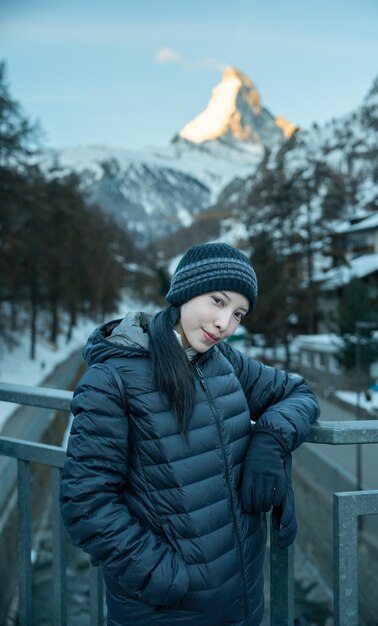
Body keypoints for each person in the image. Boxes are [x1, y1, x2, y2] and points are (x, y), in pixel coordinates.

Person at [60, 242, 320, 626]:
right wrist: (168, 578)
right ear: (184, 291)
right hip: (165, 609)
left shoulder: (223, 362)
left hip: (241, 603)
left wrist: (270, 439)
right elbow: (86, 504)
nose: (224, 324)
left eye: (238, 314)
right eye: (217, 301)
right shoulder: (112, 378)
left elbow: (298, 392)